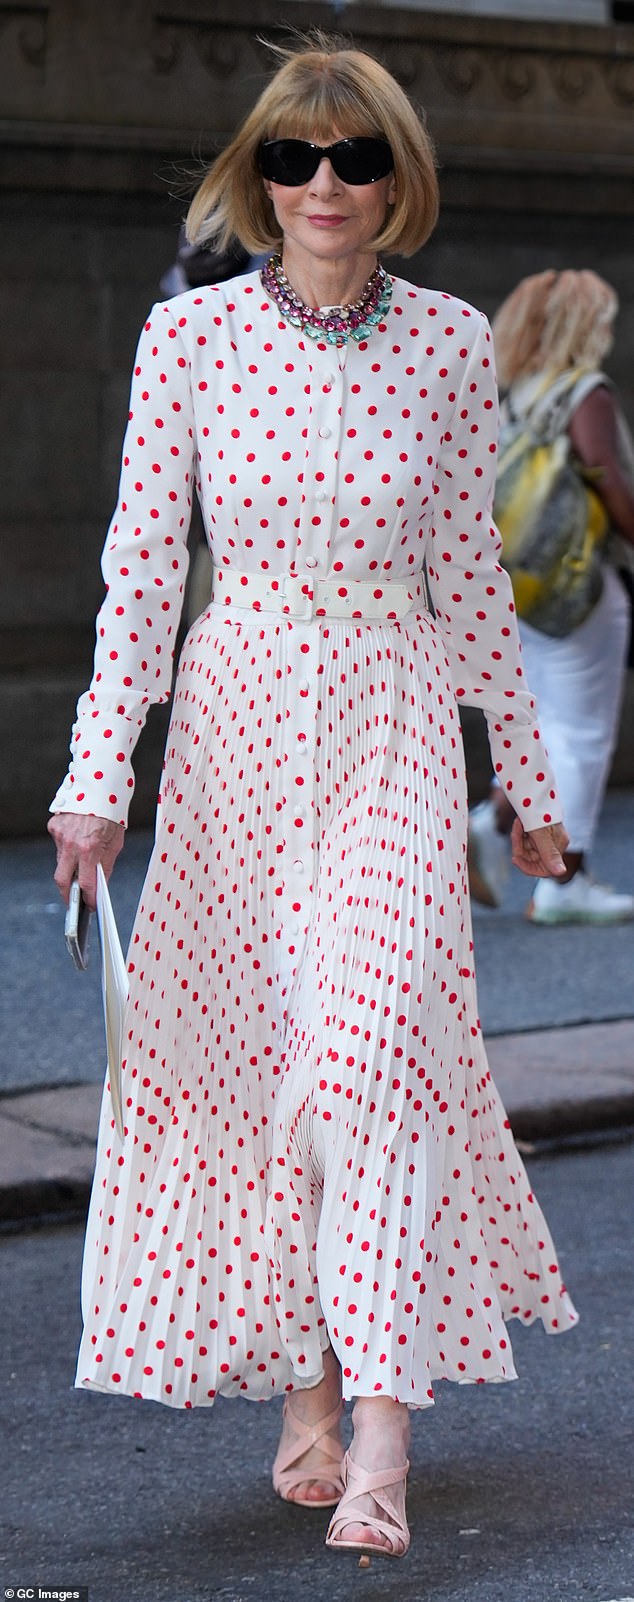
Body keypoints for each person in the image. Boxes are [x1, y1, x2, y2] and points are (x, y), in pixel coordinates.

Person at [48, 34, 578, 1562]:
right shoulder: (190, 344)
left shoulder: (452, 341)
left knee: (369, 1062)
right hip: (238, 728)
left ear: (394, 177)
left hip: (395, 715)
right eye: (293, 155)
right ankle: (307, 1382)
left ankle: (383, 1437)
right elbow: (140, 575)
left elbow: (472, 575)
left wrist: (525, 783)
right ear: (257, 174)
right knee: (277, 1073)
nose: (324, 182)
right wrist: (99, 778)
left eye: (354, 157)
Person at [469, 269, 634, 924]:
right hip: (578, 585)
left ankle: (492, 820)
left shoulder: (516, 393)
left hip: (520, 583)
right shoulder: (584, 393)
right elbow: (609, 480)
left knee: (543, 724)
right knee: (582, 733)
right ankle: (566, 877)